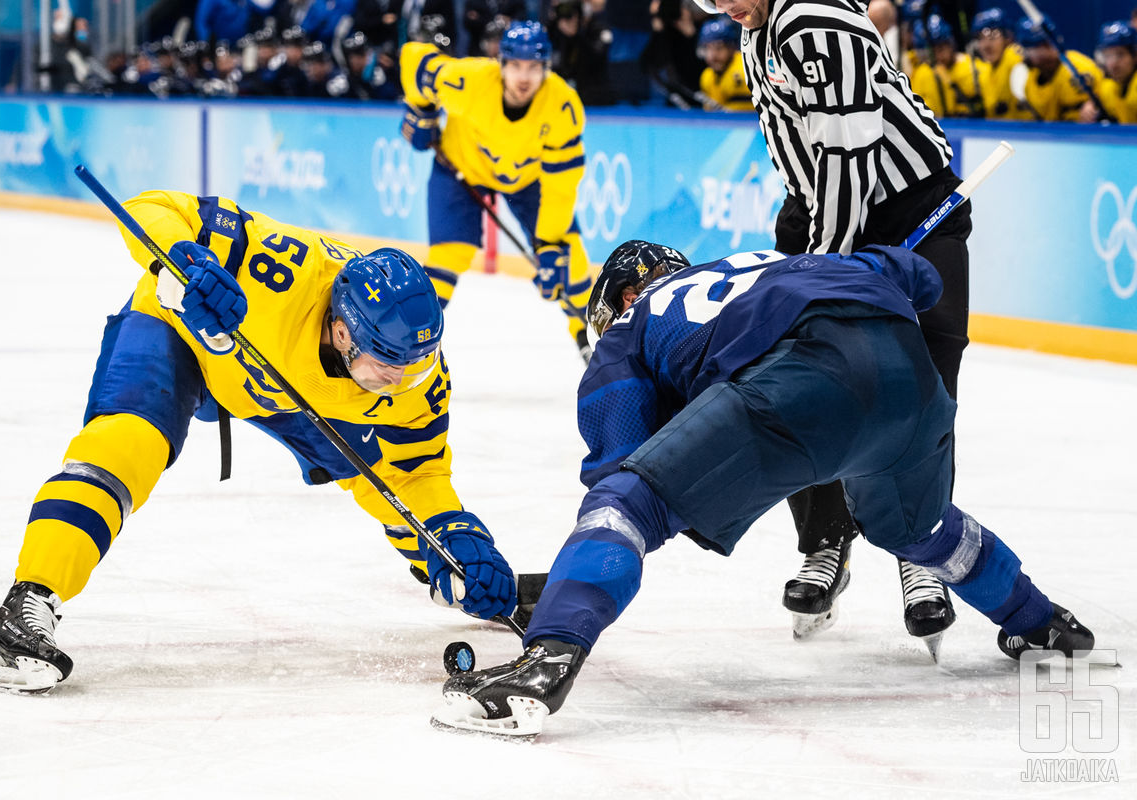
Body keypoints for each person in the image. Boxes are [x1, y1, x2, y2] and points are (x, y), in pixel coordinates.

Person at [432, 239, 1097, 738]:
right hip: (912, 380)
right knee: (915, 529)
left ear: (623, 299)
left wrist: (569, 589)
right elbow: (917, 275)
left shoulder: (631, 329)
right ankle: (1041, 624)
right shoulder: (774, 260)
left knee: (625, 507)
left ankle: (547, 663)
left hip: (796, 381)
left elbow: (621, 481)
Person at [0, 191, 517, 694]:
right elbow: (153, 206)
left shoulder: (414, 374)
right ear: (341, 328)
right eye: (389, 362)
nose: (403, 379)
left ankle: (447, 572)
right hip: (187, 331)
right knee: (128, 441)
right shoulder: (281, 268)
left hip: (275, 385)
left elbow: (416, 473)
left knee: (384, 476)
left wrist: (456, 537)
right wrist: (185, 263)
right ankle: (26, 605)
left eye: (415, 362)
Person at [690, 0, 969, 652]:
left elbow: (851, 156)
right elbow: (807, 157)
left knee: (925, 385)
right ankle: (825, 538)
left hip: (908, 213)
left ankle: (918, 544)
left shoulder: (814, 16)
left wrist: (826, 268)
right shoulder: (754, 27)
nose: (725, 8)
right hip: (821, 217)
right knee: (802, 381)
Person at [399, 21, 594, 363]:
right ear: (501, 63)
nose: (524, 77)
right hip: (462, 166)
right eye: (516, 66)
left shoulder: (563, 106)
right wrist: (422, 111)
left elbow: (561, 188)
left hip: (527, 180)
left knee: (570, 257)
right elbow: (413, 57)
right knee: (450, 254)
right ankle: (406, 345)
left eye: (534, 68)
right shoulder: (467, 81)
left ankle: (593, 338)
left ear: (547, 69)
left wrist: (547, 243)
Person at [1013, 17, 1103, 123]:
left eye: (1047, 44)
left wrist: (1094, 104)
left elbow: (1104, 97)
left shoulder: (1080, 69)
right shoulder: (1029, 78)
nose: (1045, 51)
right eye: (1037, 46)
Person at [909, 14, 993, 117]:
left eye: (941, 48)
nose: (938, 56)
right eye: (932, 52)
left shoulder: (976, 68)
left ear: (951, 43)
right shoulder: (924, 72)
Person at [968, 7, 1027, 120]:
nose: (986, 45)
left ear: (1008, 37)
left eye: (993, 37)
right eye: (980, 38)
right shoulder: (986, 70)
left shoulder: (1013, 56)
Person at [697, 16, 753, 111]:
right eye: (707, 49)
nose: (712, 55)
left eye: (719, 48)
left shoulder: (747, 68)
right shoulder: (706, 77)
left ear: (732, 47)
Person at [1089, 21, 1137, 125]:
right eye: (1107, 56)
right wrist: (1089, 109)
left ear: (1135, 56)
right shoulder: (1108, 88)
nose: (1113, 64)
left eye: (1120, 55)